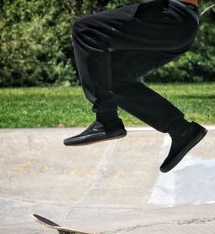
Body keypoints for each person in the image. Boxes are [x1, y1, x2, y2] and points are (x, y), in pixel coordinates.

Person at [64, 0, 207, 173]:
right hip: (181, 26)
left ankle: (106, 120)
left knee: (86, 30)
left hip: (170, 17)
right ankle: (181, 130)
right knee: (112, 77)